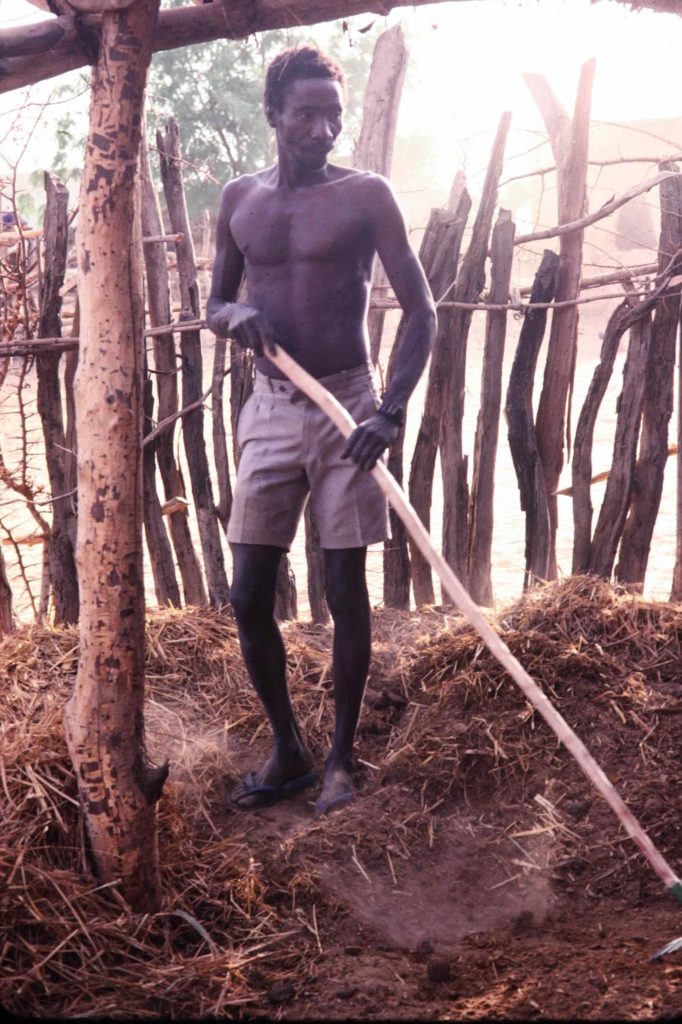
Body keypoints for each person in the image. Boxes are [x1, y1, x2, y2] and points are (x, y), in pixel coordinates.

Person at [206, 45, 436, 814]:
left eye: (333, 114)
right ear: (274, 114)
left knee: (344, 586)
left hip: (349, 404)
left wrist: (389, 411)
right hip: (272, 406)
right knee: (245, 594)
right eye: (307, 113)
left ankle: (341, 757)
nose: (324, 128)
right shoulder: (240, 199)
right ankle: (290, 750)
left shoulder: (366, 196)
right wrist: (233, 314)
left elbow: (423, 312)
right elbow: (214, 305)